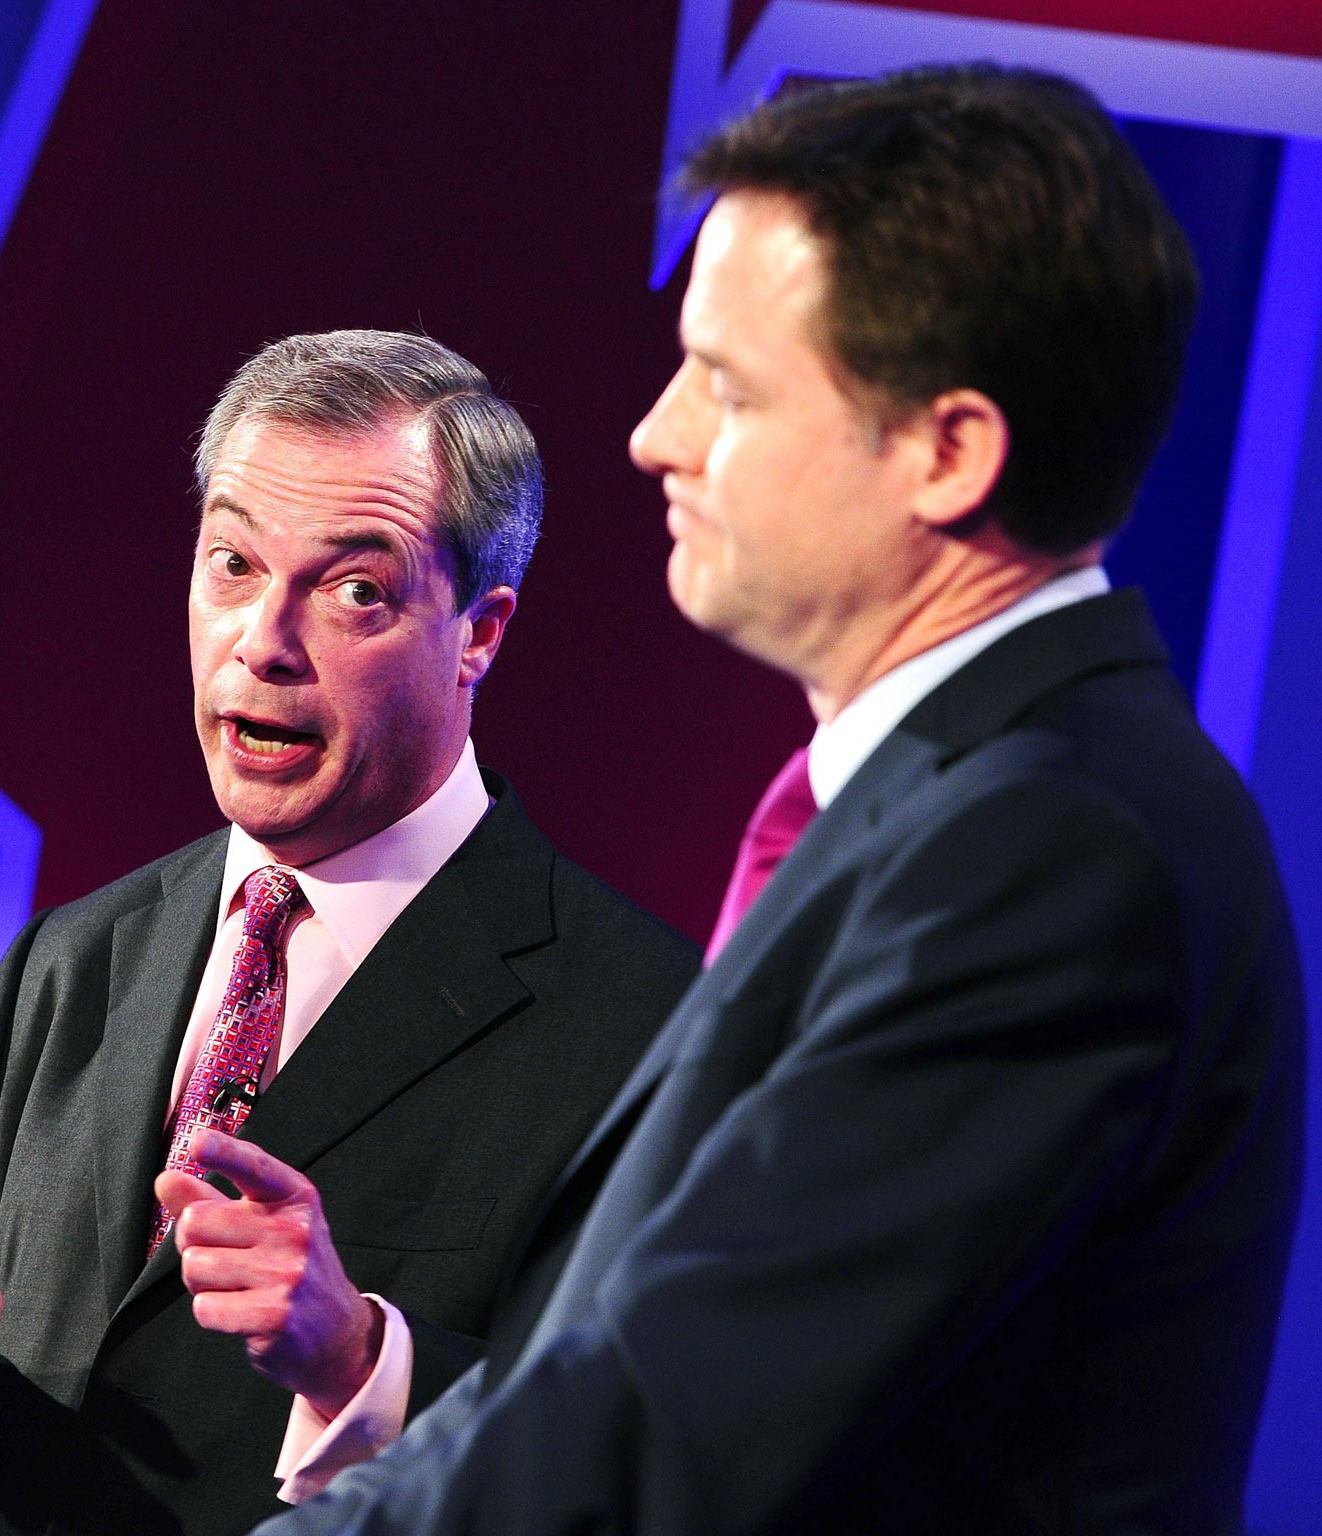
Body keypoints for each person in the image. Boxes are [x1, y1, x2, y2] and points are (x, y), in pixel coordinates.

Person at [249, 65, 1306, 1536]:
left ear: (948, 452)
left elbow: (662, 1420)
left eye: (728, 385)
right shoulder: (967, 807)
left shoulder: (1054, 849)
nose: (655, 435)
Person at [0, 330, 700, 1535]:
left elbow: (658, 1460)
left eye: (354, 588)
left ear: (478, 631)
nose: (263, 642)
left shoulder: (637, 1016)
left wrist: (360, 1360)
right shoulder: (76, 960)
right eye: (233, 564)